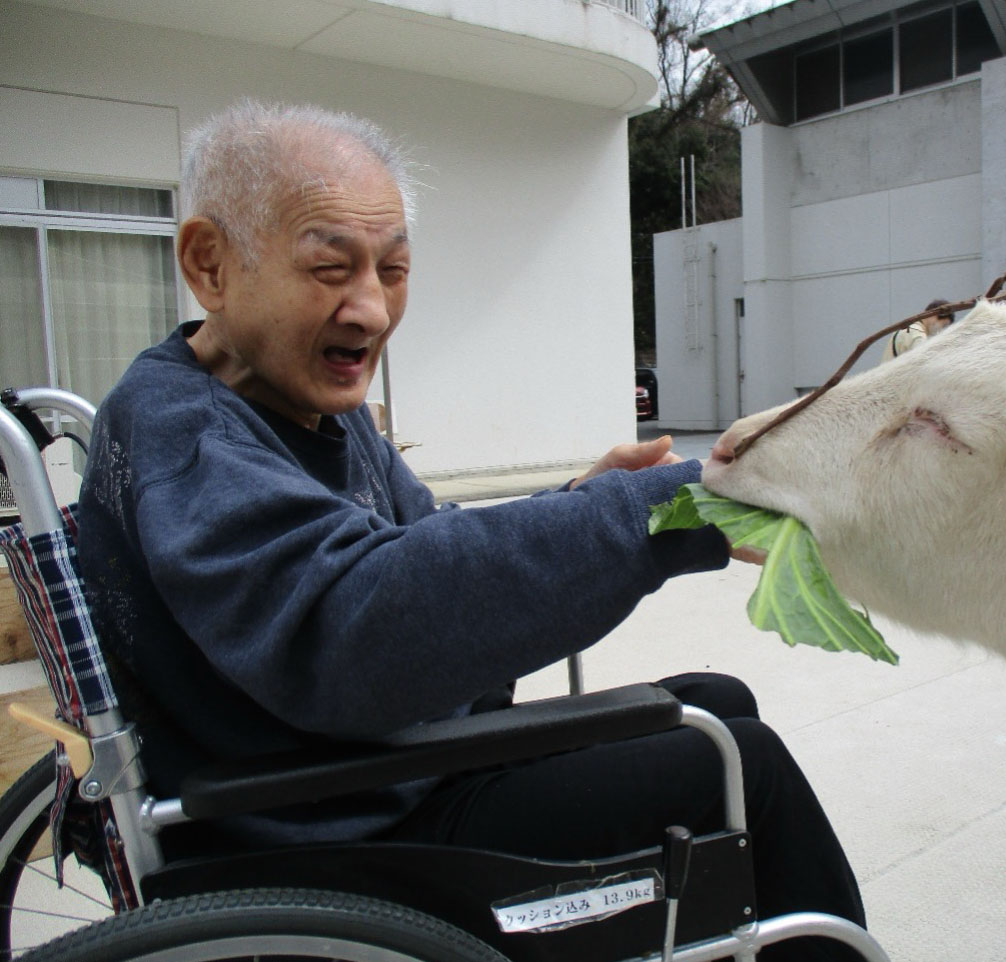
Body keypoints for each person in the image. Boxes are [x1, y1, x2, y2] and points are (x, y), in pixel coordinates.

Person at [77, 100, 866, 960]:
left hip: (371, 770)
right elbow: (359, 623)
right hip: (316, 826)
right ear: (210, 264)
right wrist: (665, 510)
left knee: (714, 705)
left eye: (394, 269)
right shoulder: (184, 436)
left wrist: (575, 499)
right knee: (738, 762)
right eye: (330, 268)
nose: (372, 311)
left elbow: (424, 548)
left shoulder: (304, 411)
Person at [880, 297, 954, 362]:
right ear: (934, 316)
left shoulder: (907, 328)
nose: (941, 331)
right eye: (943, 325)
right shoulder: (917, 335)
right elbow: (922, 366)